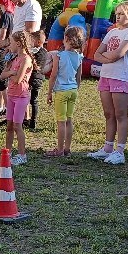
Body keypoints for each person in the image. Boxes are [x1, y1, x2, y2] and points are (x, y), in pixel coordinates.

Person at [89, 0, 128, 165]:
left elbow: (118, 54)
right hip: (106, 76)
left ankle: (120, 151)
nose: (118, 17)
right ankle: (107, 147)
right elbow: (96, 54)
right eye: (117, 14)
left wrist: (106, 58)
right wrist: (107, 58)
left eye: (121, 14)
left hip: (121, 77)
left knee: (121, 114)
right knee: (109, 114)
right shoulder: (111, 32)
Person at [46, 25, 84, 157]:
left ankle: (60, 149)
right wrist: (76, 88)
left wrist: (49, 92)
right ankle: (67, 148)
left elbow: (53, 75)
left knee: (60, 121)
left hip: (61, 91)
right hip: (73, 90)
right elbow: (79, 76)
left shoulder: (59, 56)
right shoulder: (79, 57)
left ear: (66, 39)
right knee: (69, 120)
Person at [1, 30, 34, 165]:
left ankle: (22, 154)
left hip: (21, 96)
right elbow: (2, 75)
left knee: (17, 125)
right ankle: (7, 152)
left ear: (19, 44)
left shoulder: (26, 59)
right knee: (9, 125)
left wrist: (11, 74)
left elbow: (19, 79)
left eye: (11, 42)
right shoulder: (13, 58)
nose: (9, 45)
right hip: (11, 95)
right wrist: (11, 72)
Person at [26, 30, 52, 131]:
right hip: (39, 78)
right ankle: (32, 120)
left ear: (37, 42)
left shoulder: (36, 52)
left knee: (32, 100)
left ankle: (31, 120)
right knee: (34, 100)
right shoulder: (44, 52)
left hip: (33, 78)